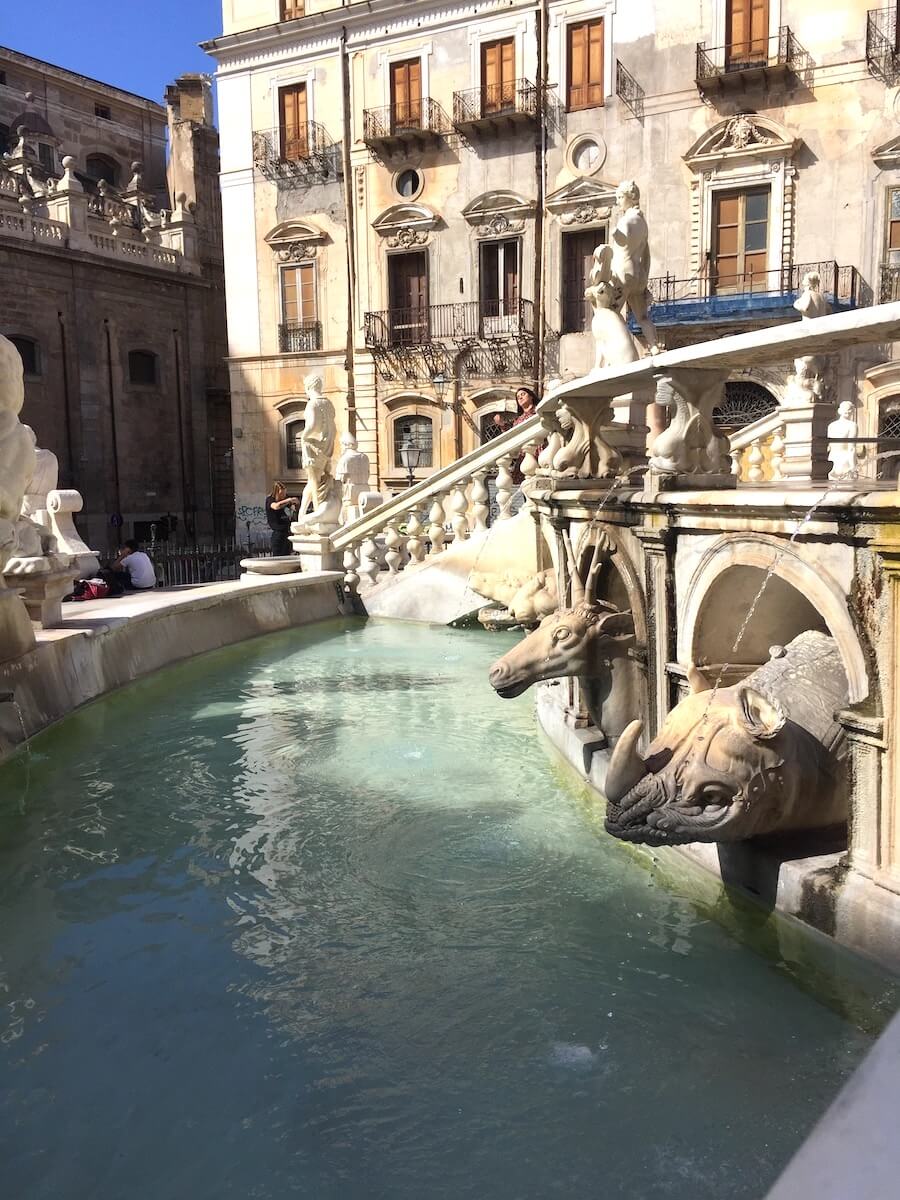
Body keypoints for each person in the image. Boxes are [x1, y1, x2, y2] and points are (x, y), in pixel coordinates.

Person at [266, 481, 299, 556]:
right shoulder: (270, 500)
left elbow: (294, 506)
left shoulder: (285, 499)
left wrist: (295, 502)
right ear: (277, 492)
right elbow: (276, 506)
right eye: (281, 494)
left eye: (284, 493)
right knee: (278, 556)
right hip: (278, 534)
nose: (283, 496)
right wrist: (288, 500)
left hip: (287, 532)